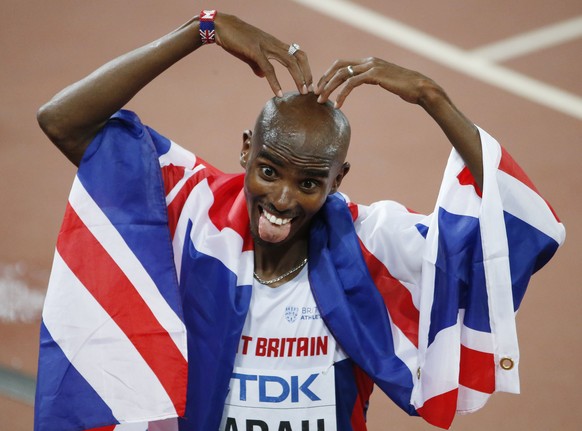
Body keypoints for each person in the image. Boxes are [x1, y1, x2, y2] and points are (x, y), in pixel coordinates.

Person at [34, 10, 564, 431]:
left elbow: (518, 230)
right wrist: (203, 29)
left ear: (338, 180)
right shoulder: (197, 212)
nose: (282, 199)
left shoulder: (370, 244)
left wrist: (433, 97)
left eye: (310, 183)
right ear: (246, 151)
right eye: (269, 170)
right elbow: (64, 121)